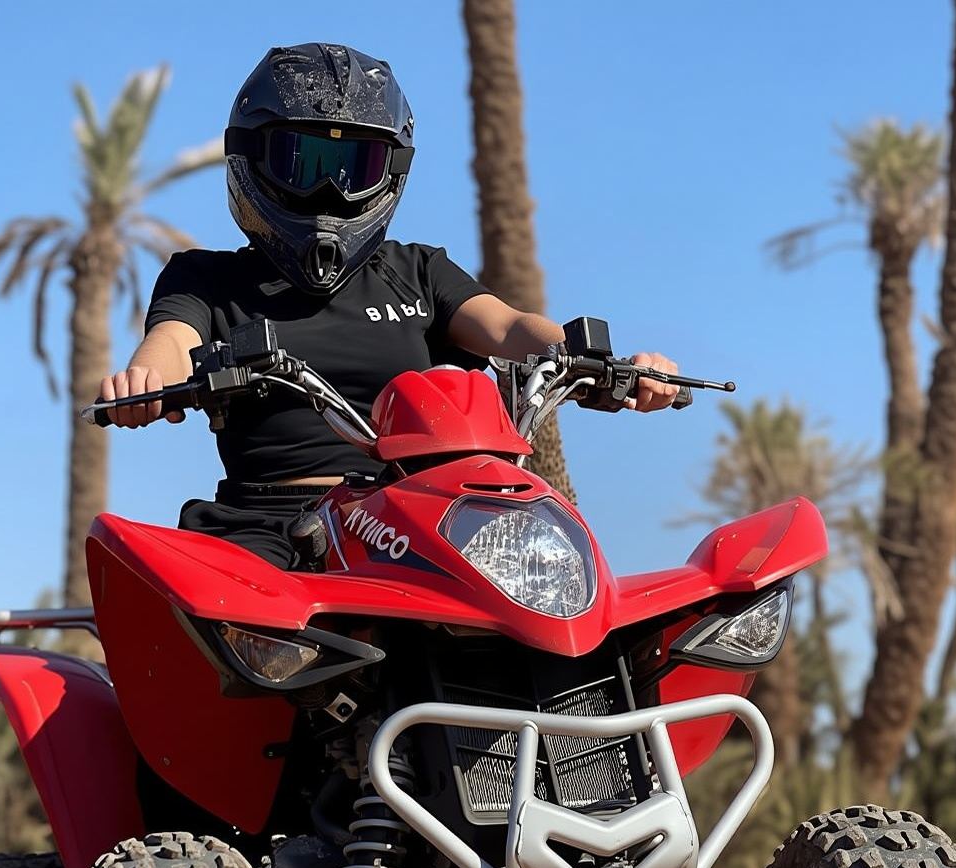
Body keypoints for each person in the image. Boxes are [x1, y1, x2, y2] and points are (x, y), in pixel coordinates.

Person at [101, 42, 678, 567]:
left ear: (390, 172)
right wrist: (144, 381)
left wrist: (607, 364)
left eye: (357, 167)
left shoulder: (417, 271)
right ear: (253, 158)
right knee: (221, 635)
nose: (330, 191)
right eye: (303, 163)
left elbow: (509, 328)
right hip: (267, 529)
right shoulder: (206, 278)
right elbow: (172, 342)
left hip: (423, 521)